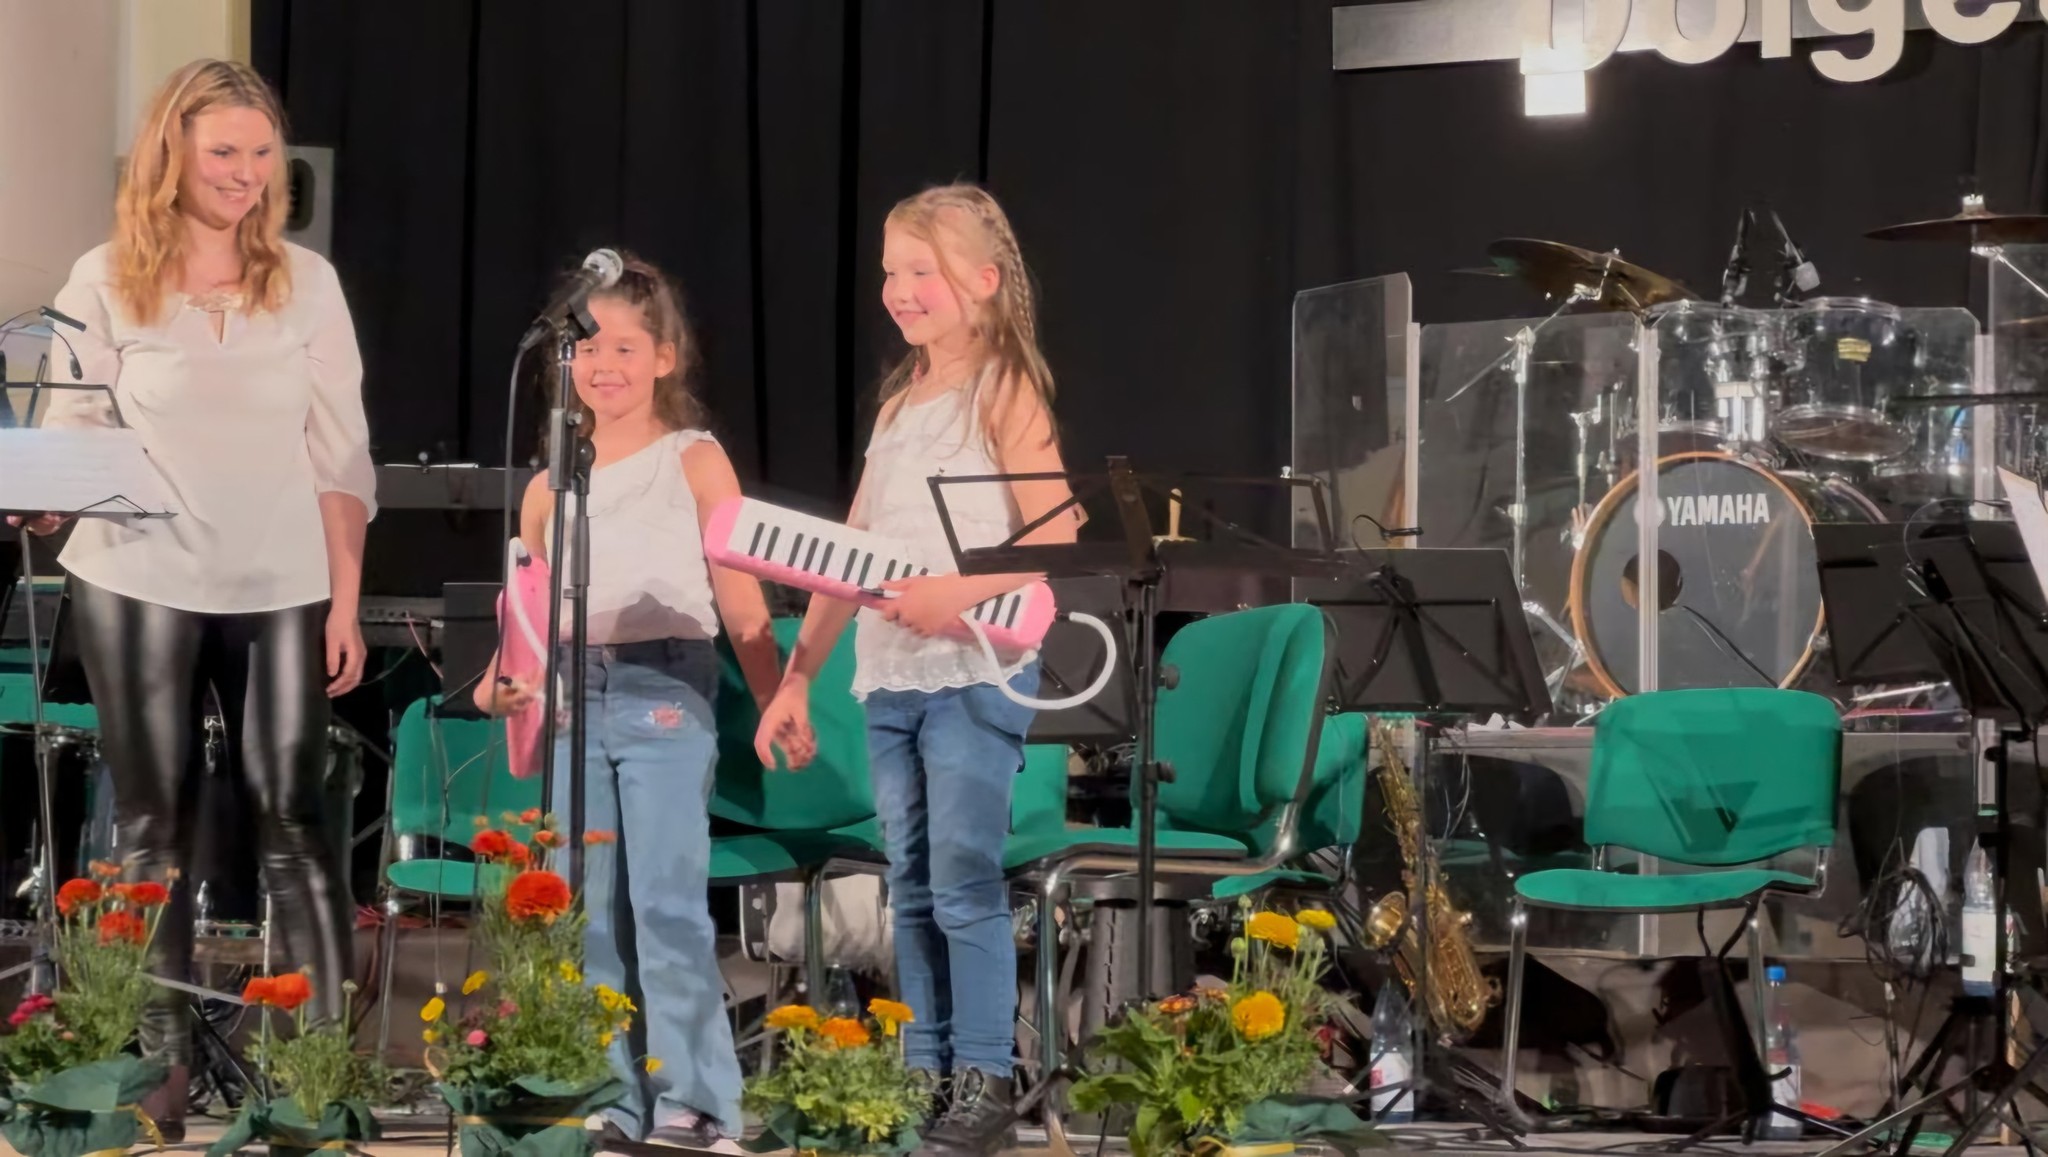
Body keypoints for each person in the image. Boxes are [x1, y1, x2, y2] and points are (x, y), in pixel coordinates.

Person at [6, 59, 374, 1132]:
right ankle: (159, 1085)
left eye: (260, 154)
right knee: (150, 826)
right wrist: (44, 496)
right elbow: (72, 426)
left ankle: (318, 1082)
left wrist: (344, 599)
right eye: (224, 152)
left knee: (294, 814)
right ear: (173, 152)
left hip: (281, 580)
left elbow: (341, 456)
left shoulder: (307, 282)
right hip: (137, 574)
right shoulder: (106, 276)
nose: (246, 173)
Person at [753, 184, 1080, 1157]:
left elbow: (1056, 534)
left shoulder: (1003, 390)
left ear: (983, 281)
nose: (899, 289)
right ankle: (923, 1073)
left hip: (973, 672)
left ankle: (983, 1077)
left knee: (964, 875)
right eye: (890, 271)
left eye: (920, 270)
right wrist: (796, 676)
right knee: (912, 882)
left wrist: (956, 594)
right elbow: (845, 557)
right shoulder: (900, 407)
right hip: (891, 677)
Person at [472, 254, 781, 1150]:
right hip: (573, 694)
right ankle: (611, 1093)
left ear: (664, 358)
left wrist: (775, 697)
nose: (602, 364)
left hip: (664, 688)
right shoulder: (546, 484)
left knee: (666, 900)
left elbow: (741, 597)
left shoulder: (694, 458)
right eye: (587, 347)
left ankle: (698, 1101)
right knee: (585, 905)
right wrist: (501, 679)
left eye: (625, 347)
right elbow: (528, 612)